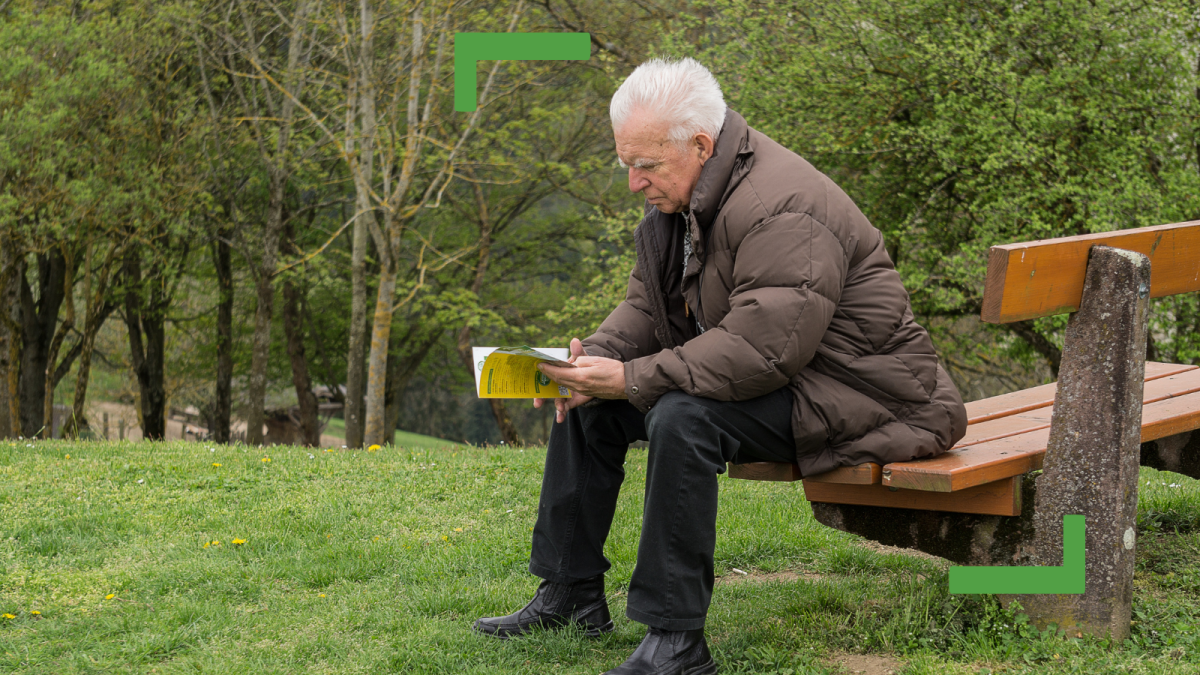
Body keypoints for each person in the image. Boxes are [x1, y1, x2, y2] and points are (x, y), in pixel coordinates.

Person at [473, 57, 967, 675]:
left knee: (682, 416)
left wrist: (631, 379)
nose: (633, 183)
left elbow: (765, 351)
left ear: (701, 145)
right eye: (625, 164)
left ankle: (676, 640)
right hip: (795, 377)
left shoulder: (782, 207)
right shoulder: (686, 199)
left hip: (863, 393)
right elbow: (646, 310)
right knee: (591, 402)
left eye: (645, 166)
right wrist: (596, 360)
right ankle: (570, 593)